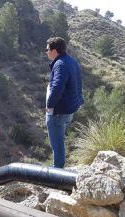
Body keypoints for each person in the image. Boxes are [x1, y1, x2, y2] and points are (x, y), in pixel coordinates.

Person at [45, 37, 84, 168]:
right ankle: (58, 166)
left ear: (54, 50)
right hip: (69, 109)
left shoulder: (60, 64)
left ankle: (57, 170)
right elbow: (78, 83)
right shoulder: (71, 61)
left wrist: (49, 105)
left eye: (47, 49)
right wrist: (79, 101)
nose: (46, 52)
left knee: (57, 143)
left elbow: (57, 87)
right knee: (59, 140)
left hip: (58, 112)